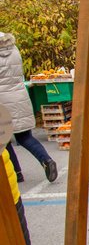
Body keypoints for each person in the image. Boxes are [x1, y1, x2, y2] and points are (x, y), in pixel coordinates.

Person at [0, 32, 57, 183]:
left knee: (3, 140)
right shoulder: (14, 50)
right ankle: (47, 160)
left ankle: (16, 173)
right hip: (19, 97)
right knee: (25, 137)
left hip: (2, 101)